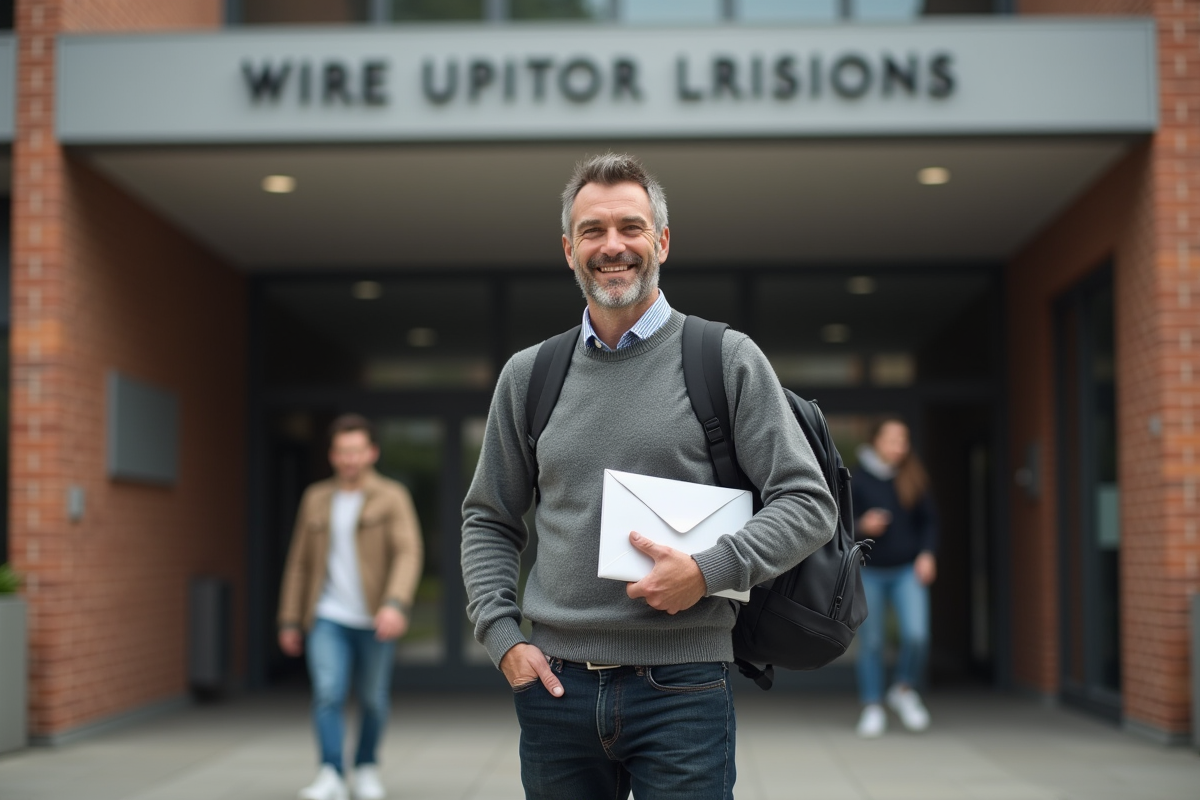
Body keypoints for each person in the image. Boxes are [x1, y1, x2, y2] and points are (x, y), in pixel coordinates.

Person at [460, 153, 839, 800]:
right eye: (593, 231)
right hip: (555, 688)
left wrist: (708, 571)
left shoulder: (724, 359)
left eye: (631, 227)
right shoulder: (530, 376)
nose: (613, 246)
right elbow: (490, 518)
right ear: (568, 249)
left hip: (684, 690)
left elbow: (807, 503)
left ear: (661, 240)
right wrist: (501, 637)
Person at [278, 414, 424, 800]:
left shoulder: (391, 496)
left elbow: (408, 553)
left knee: (373, 699)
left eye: (357, 451)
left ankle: (365, 766)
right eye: (342, 452)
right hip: (327, 616)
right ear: (332, 455)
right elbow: (299, 562)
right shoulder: (316, 498)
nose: (350, 459)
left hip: (376, 618)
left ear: (371, 452)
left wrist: (395, 603)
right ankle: (330, 771)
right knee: (328, 692)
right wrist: (290, 618)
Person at [851, 417, 939, 738]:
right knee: (872, 642)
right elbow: (840, 525)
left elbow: (929, 522)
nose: (899, 446)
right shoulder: (858, 479)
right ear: (876, 441)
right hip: (870, 571)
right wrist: (863, 525)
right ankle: (872, 706)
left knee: (917, 635)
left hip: (906, 570)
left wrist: (927, 554)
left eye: (904, 440)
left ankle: (903, 689)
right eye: (892, 439)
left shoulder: (913, 476)